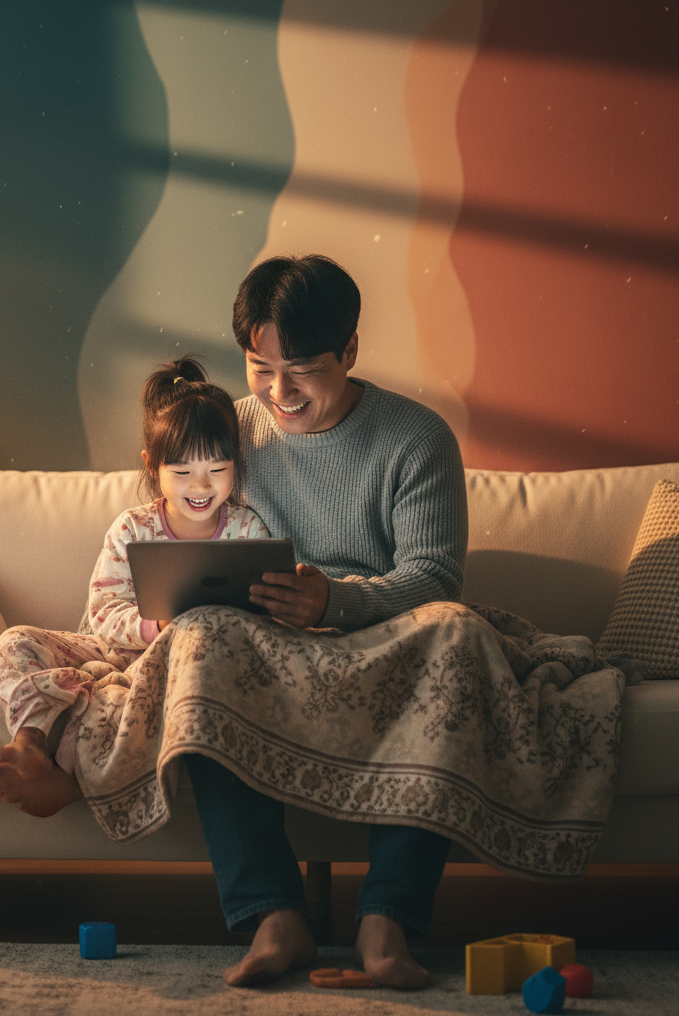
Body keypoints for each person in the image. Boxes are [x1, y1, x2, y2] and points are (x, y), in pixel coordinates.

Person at [181, 253, 468, 990]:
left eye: (302, 368)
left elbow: (434, 576)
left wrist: (333, 601)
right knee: (202, 642)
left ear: (349, 352)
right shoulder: (225, 433)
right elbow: (171, 529)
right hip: (262, 647)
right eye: (258, 367)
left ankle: (386, 924)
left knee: (459, 636)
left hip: (382, 642)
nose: (279, 392)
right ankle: (272, 917)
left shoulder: (416, 437)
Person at [0, 355, 269, 817]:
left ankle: (68, 780)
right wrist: (153, 625)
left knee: (120, 693)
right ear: (152, 466)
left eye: (217, 470)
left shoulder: (248, 530)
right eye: (182, 472)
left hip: (175, 667)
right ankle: (31, 744)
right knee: (14, 641)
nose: (201, 485)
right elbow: (104, 611)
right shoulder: (132, 529)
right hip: (114, 647)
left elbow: (259, 619)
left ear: (235, 464)